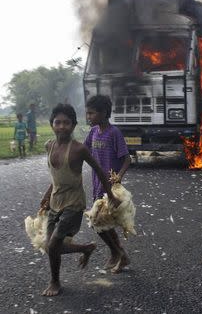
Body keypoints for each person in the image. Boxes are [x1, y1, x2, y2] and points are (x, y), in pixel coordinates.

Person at [39, 103, 119, 297]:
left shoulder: (78, 149)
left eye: (67, 123)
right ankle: (86, 248)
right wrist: (47, 194)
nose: (62, 126)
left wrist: (110, 195)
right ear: (52, 125)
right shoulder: (49, 146)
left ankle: (55, 281)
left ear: (73, 125)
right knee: (50, 247)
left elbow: (99, 170)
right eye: (58, 122)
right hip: (55, 202)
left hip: (74, 203)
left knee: (54, 244)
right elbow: (56, 176)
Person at [84, 95, 132, 274]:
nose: (88, 116)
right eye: (87, 113)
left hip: (111, 187)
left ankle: (116, 253)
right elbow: (85, 150)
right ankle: (121, 255)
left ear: (104, 112)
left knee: (98, 221)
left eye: (92, 113)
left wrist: (119, 176)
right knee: (103, 223)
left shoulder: (114, 133)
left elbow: (127, 159)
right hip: (97, 183)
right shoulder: (93, 132)